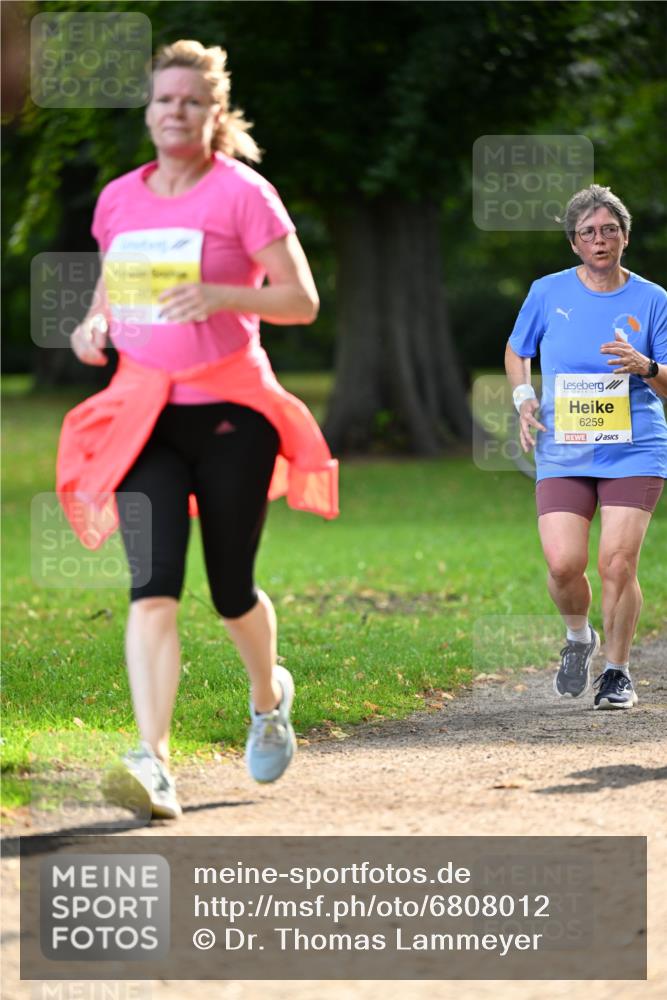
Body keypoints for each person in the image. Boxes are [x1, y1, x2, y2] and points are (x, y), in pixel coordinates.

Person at [58, 40, 338, 819]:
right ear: (147, 112)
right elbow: (111, 299)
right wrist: (92, 329)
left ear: (214, 114)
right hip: (142, 411)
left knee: (228, 588)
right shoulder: (119, 199)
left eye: (190, 100)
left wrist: (220, 294)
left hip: (230, 412)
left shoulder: (243, 194)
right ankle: (152, 761)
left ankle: (266, 695)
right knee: (152, 589)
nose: (174, 111)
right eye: (162, 100)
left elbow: (300, 300)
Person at [505, 184, 666, 710]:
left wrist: (645, 367)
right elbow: (516, 349)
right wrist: (525, 398)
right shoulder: (547, 292)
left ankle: (617, 673)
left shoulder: (653, 299)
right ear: (575, 243)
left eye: (610, 230)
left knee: (617, 563)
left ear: (624, 237)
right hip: (565, 448)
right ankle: (579, 637)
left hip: (634, 446)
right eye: (589, 232)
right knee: (562, 564)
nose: (600, 240)